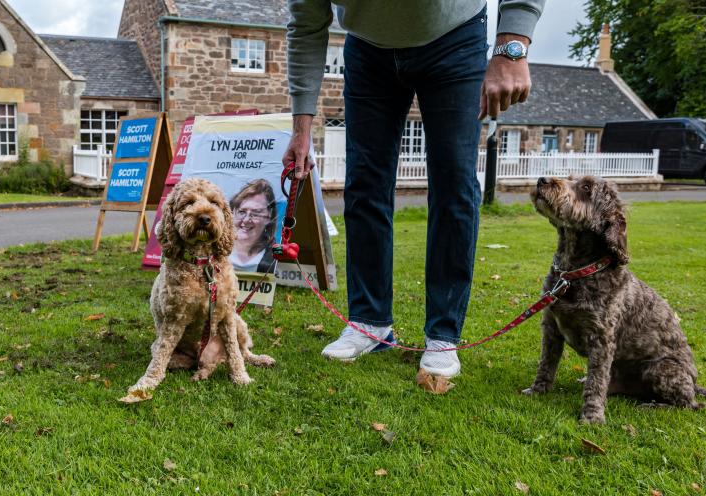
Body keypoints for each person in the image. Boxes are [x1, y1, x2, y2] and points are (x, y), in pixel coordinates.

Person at [284, 1, 545, 377]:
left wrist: (513, 42)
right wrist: (301, 129)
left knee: (454, 183)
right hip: (366, 47)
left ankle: (442, 334)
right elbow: (307, 26)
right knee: (364, 184)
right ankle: (369, 322)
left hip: (454, 36)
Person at [229, 179, 278, 273]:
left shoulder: (275, 256)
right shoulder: (214, 251)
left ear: (269, 217)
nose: (246, 220)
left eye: (256, 213)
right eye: (242, 212)